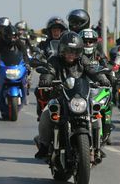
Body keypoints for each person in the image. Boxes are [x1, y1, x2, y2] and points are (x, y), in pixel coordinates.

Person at [35, 31, 111, 159]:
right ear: (61, 50)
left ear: (79, 52)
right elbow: (49, 71)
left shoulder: (83, 60)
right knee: (45, 114)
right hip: (59, 96)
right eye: (68, 50)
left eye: (74, 51)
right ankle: (44, 145)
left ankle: (97, 147)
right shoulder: (54, 60)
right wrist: (46, 79)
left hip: (80, 96)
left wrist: (102, 78)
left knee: (96, 115)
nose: (71, 54)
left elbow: (92, 69)